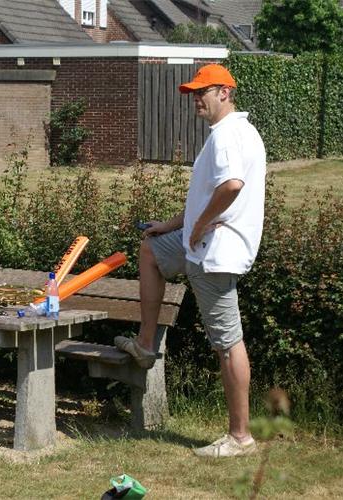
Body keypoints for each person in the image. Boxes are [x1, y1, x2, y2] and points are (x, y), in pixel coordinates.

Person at [115, 64, 266, 458]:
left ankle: (240, 438)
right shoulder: (236, 132)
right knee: (151, 249)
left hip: (215, 253)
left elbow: (232, 186)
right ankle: (145, 344)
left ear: (225, 92)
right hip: (200, 244)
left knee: (228, 344)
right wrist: (170, 227)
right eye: (193, 93)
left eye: (203, 92)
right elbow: (208, 194)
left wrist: (198, 226)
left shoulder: (227, 136)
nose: (196, 99)